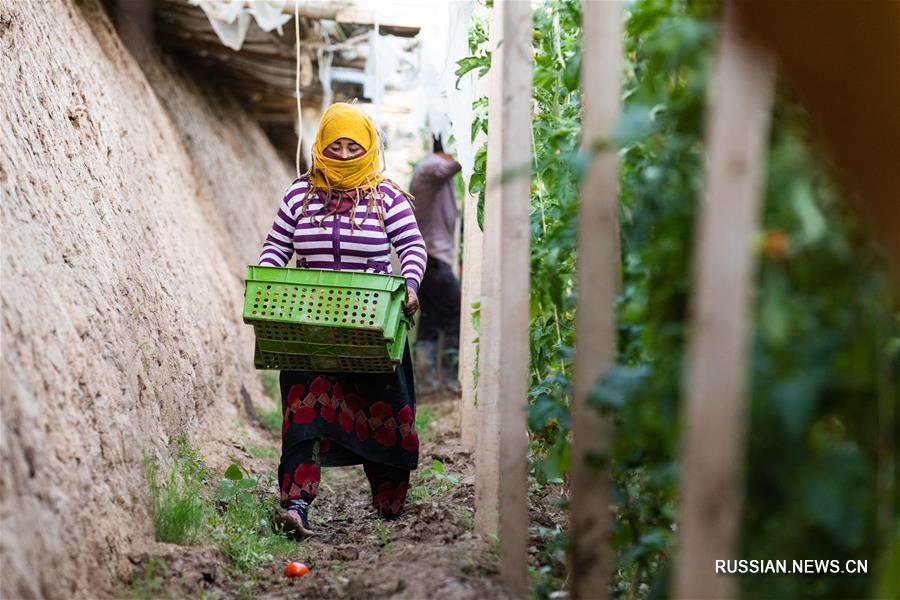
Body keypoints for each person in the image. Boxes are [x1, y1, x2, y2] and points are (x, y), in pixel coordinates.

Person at [257, 102, 426, 538]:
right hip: (308, 325)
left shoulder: (385, 196)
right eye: (337, 145)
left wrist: (409, 284)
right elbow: (276, 248)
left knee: (383, 410)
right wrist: (270, 281)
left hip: (372, 325)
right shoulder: (300, 194)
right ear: (321, 146)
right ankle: (295, 504)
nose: (346, 153)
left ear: (368, 147)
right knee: (304, 413)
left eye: (354, 145)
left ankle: (389, 506)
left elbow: (412, 248)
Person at [409, 135, 463, 393]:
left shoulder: (430, 175)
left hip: (429, 260)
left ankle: (427, 381)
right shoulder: (430, 168)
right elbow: (447, 167)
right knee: (457, 311)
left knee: (430, 317)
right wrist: (468, 150)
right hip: (433, 259)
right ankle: (451, 378)